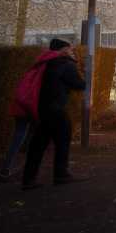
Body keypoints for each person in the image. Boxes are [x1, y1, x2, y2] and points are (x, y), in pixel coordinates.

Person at [22, 38, 87, 190]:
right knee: (63, 140)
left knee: (38, 144)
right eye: (70, 49)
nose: (72, 51)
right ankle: (61, 175)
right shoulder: (64, 64)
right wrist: (75, 63)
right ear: (63, 50)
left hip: (40, 108)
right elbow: (79, 84)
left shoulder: (43, 62)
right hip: (56, 109)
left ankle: (28, 178)